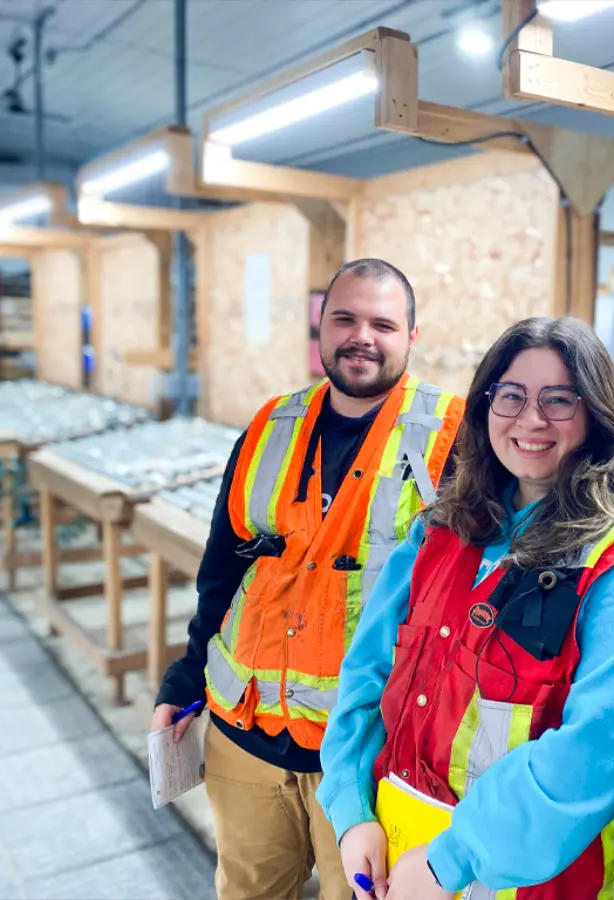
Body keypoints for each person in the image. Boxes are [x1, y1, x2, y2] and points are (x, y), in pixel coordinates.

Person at [317, 316, 614, 900]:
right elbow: (367, 675)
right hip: (406, 860)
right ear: (484, 408)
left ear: (598, 413)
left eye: (558, 400)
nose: (531, 419)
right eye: (511, 396)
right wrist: (351, 807)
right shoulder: (445, 531)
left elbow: (591, 754)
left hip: (547, 884)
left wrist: (450, 861)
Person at [151, 258, 465, 900]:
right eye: (345, 318)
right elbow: (222, 573)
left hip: (369, 755)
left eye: (383, 323)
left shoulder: (454, 441)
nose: (362, 337)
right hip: (246, 736)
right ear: (321, 327)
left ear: (412, 336)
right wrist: (183, 680)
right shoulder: (270, 426)